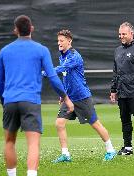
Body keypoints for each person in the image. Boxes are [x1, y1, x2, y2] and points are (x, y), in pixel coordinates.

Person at [0, 15, 74, 176]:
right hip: (30, 101)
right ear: (31, 29)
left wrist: (4, 102)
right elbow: (53, 78)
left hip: (10, 101)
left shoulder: (5, 51)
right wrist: (66, 98)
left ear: (15, 30)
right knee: (33, 143)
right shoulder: (41, 50)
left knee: (9, 142)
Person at [43, 29, 116, 163]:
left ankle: (110, 150)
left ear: (69, 41)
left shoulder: (74, 56)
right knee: (59, 123)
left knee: (95, 124)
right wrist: (63, 94)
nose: (59, 43)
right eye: (58, 40)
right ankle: (65, 155)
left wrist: (45, 72)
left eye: (61, 41)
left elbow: (62, 69)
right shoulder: (62, 55)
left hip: (82, 97)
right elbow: (66, 76)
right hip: (69, 98)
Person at [110, 22, 134, 156]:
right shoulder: (117, 50)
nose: (121, 36)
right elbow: (116, 72)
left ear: (131, 34)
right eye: (120, 34)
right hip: (122, 93)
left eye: (124, 34)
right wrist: (113, 90)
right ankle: (128, 147)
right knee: (125, 120)